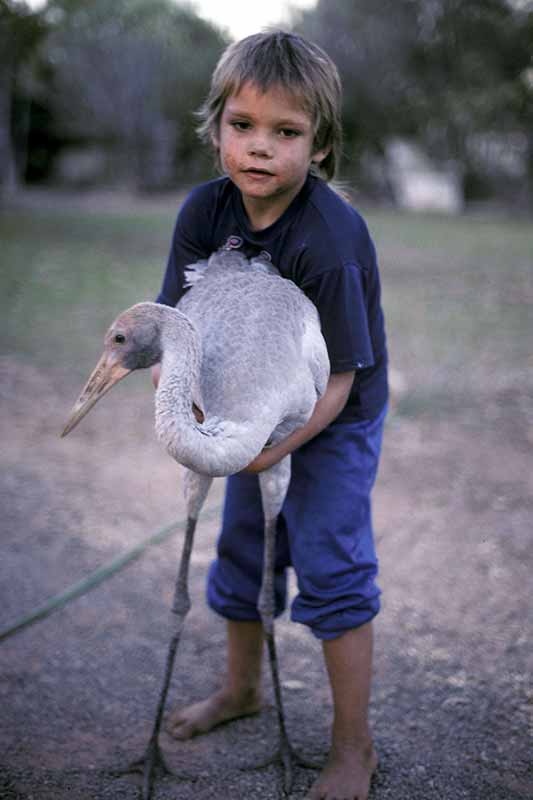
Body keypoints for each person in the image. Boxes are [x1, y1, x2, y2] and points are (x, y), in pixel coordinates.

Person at [152, 30, 388, 800]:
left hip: (329, 418)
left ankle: (353, 747)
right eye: (242, 126)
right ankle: (241, 690)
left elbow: (343, 382)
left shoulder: (331, 240)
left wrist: (267, 447)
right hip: (245, 413)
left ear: (319, 147)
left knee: (331, 561)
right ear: (215, 125)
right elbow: (177, 331)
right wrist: (198, 419)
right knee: (245, 545)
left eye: (285, 132)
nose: (260, 148)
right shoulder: (201, 211)